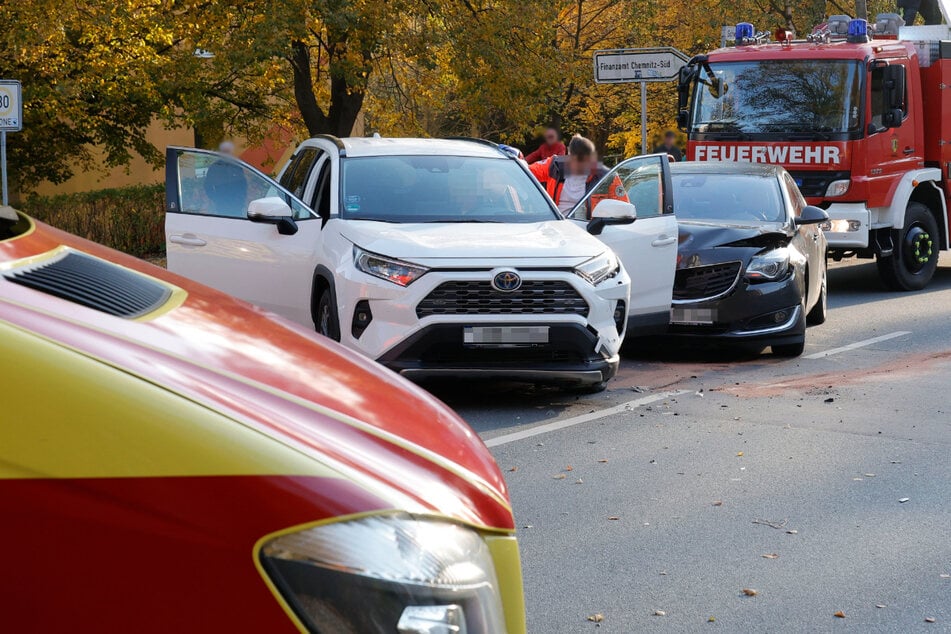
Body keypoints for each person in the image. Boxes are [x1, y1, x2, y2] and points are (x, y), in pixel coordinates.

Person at [529, 134, 619, 215]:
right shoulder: (553, 167)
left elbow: (624, 207)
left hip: (589, 229)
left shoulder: (606, 177)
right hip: (556, 226)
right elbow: (523, 172)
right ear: (568, 154)